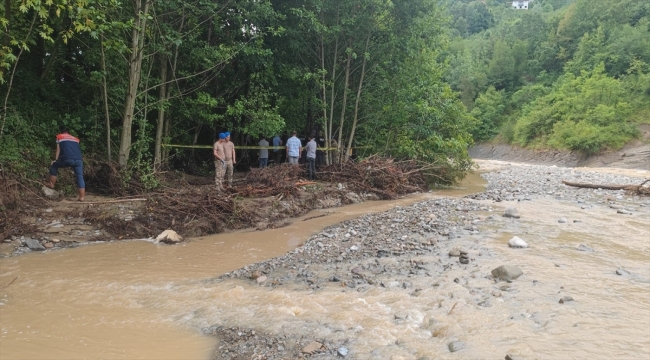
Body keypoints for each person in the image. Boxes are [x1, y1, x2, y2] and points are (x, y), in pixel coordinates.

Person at [43, 127, 86, 201]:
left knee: (54, 165)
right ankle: (82, 197)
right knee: (80, 178)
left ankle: (51, 184)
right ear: (68, 133)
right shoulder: (76, 139)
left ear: (62, 132)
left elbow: (58, 149)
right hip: (79, 160)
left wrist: (55, 160)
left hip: (67, 159)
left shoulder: (59, 136)